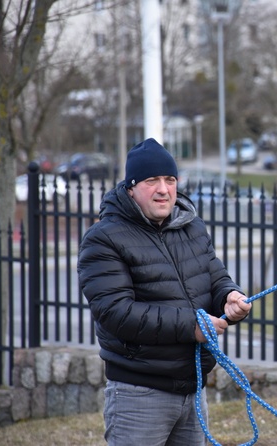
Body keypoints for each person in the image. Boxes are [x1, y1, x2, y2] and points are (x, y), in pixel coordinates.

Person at [78, 138, 252, 446]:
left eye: (170, 179)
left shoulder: (192, 227)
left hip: (193, 389)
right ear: (131, 187)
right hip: (139, 395)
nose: (164, 189)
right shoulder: (103, 239)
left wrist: (230, 297)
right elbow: (117, 313)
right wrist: (191, 327)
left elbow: (215, 278)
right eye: (152, 181)